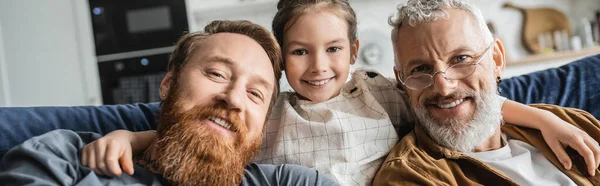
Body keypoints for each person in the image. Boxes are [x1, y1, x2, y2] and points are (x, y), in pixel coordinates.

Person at [81, 0, 600, 185]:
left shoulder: (381, 92)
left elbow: (457, 101)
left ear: (353, 53)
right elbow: (212, 129)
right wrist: (133, 135)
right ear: (281, 60)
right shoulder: (270, 112)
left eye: (332, 50)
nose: (319, 67)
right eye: (300, 52)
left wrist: (542, 119)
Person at [0, 20, 337, 186]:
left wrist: (138, 138)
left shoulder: (285, 182)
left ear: (263, 126)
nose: (233, 98)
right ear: (168, 83)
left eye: (255, 94)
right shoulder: (61, 157)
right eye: (218, 74)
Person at [373, 0, 600, 185]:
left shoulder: (568, 122)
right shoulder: (410, 176)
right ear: (401, 81)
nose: (443, 87)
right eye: (420, 69)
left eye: (460, 59)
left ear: (496, 59)